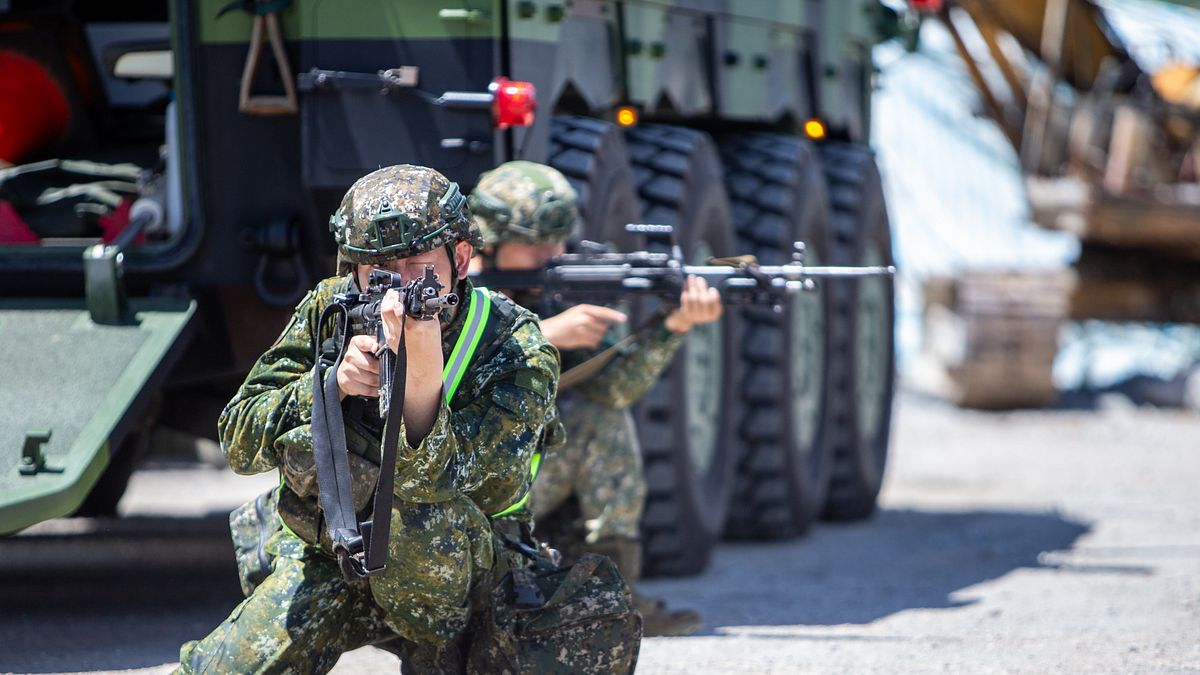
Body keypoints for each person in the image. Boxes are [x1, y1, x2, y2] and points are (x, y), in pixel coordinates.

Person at [176, 164, 560, 673]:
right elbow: (239, 441)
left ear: (462, 258)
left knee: (417, 519)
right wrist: (329, 384)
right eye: (377, 272)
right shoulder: (330, 307)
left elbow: (431, 482)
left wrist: (418, 370)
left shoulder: (515, 348)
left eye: (416, 267)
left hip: (458, 575)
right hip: (337, 551)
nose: (396, 289)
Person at [468, 160, 721, 637]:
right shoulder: (450, 292)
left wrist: (674, 326)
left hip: (523, 478)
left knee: (599, 417)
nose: (552, 255)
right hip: (457, 482)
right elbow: (435, 380)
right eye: (536, 244)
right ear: (489, 241)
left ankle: (613, 599)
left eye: (558, 242)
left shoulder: (552, 289)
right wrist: (542, 335)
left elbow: (614, 389)